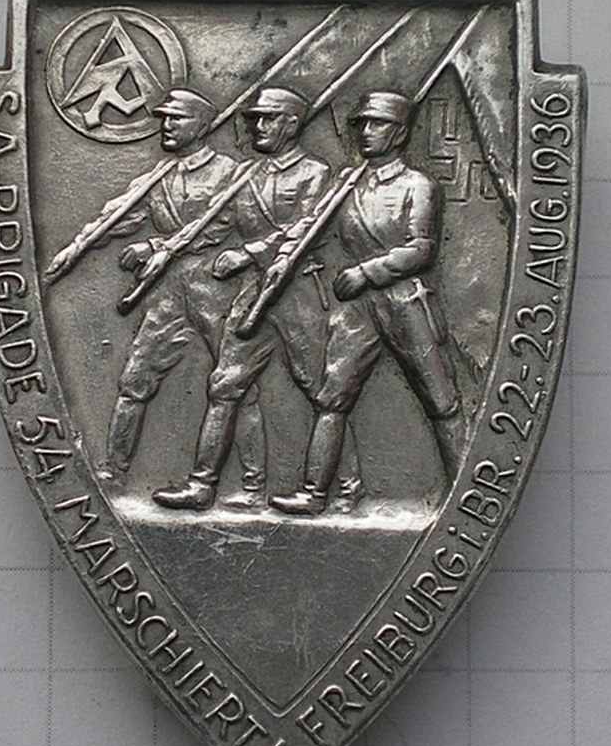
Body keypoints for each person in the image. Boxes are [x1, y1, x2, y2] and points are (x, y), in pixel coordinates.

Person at [153, 85, 362, 511]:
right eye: (254, 119)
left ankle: (348, 485)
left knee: (321, 390)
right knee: (224, 384)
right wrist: (163, 247)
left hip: (298, 291)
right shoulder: (247, 174)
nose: (258, 126)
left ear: (292, 123)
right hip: (254, 292)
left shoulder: (315, 173)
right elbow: (214, 225)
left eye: (268, 118)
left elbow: (310, 228)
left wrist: (249, 252)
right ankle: (202, 485)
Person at [271, 90, 466, 516]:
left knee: (441, 398)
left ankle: (463, 488)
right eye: (361, 123)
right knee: (331, 397)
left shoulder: (418, 185)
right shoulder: (348, 182)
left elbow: (422, 249)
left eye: (377, 123)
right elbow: (313, 227)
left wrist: (366, 272)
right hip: (357, 310)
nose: (365, 131)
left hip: (404, 302)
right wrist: (285, 257)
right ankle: (314, 492)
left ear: (399, 133)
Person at [99, 87, 265, 493]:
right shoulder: (159, 176)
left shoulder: (231, 172)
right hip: (167, 290)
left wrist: (157, 245)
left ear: (203, 125)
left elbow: (225, 226)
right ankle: (113, 471)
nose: (167, 125)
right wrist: (94, 237)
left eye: (177, 118)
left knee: (235, 385)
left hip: (218, 287)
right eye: (164, 118)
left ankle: (252, 482)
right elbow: (122, 216)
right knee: (134, 378)